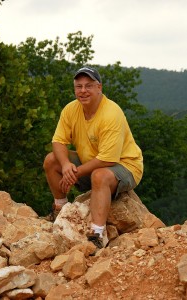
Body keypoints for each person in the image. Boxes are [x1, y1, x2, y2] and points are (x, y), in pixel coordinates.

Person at [43, 66, 143, 249]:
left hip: (125, 166)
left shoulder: (111, 113)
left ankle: (97, 234)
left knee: (99, 175)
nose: (83, 91)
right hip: (91, 163)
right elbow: (58, 141)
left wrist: (74, 173)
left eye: (88, 86)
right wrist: (65, 166)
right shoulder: (70, 109)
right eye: (78, 86)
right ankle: (60, 209)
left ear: (99, 87)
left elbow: (108, 160)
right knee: (52, 160)